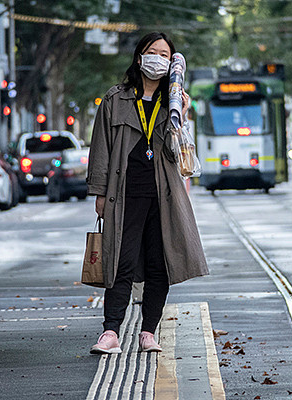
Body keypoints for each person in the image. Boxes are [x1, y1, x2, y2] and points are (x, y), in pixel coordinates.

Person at [86, 32, 208, 354]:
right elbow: (101, 148)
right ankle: (110, 331)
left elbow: (180, 153)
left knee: (160, 263)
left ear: (171, 63)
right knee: (119, 263)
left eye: (164, 55)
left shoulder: (175, 102)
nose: (157, 59)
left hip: (164, 195)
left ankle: (148, 331)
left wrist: (180, 114)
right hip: (124, 194)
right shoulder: (116, 99)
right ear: (139, 58)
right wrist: (99, 192)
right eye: (152, 52)